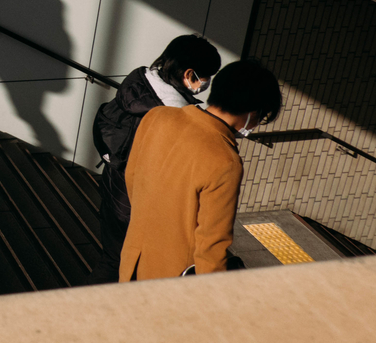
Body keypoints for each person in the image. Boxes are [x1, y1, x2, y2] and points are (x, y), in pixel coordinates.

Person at [119, 59, 282, 281]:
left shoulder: (158, 116)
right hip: (175, 275)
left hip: (133, 258)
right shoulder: (225, 162)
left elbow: (132, 178)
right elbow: (212, 243)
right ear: (253, 112)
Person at [87, 34, 221, 283]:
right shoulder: (172, 115)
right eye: (206, 76)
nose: (206, 83)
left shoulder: (139, 84)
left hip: (112, 186)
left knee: (112, 259)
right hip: (133, 204)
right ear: (189, 74)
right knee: (123, 268)